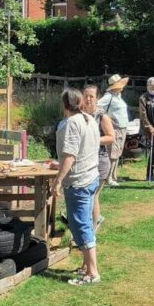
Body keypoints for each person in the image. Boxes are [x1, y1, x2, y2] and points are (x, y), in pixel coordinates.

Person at [54, 88, 102, 286]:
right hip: (91, 176)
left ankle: (93, 273)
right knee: (85, 223)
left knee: (80, 225)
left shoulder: (71, 123)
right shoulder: (88, 119)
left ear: (65, 104)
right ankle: (85, 266)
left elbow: (70, 155)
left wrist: (57, 180)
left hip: (79, 181)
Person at [82, 84, 115, 229]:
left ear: (97, 98)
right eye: (86, 96)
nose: (88, 99)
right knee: (84, 196)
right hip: (83, 161)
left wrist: (93, 139)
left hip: (99, 161)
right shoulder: (79, 114)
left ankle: (92, 231)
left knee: (93, 195)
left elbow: (111, 137)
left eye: (91, 96)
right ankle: (84, 226)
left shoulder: (102, 116)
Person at [97, 74, 129, 187]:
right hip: (114, 129)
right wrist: (107, 118)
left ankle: (113, 176)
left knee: (117, 153)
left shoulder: (117, 96)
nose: (122, 87)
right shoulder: (108, 97)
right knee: (112, 154)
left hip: (122, 128)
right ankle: (108, 178)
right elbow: (97, 106)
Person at [138, 77, 154, 182]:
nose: (153, 86)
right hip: (152, 129)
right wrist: (150, 127)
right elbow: (143, 116)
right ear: (147, 86)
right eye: (151, 84)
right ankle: (149, 174)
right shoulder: (143, 98)